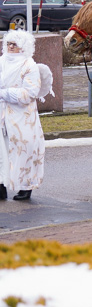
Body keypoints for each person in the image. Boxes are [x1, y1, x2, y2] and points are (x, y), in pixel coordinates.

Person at [0, 30, 45, 201]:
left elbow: (30, 92)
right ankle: (1, 185)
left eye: (15, 44)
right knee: (1, 150)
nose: (11, 47)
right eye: (9, 44)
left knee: (25, 149)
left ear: (23, 47)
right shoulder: (1, 62)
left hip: (22, 116)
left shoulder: (29, 65)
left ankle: (26, 187)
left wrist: (4, 94)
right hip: (2, 113)